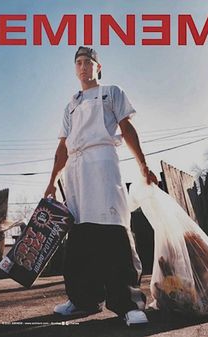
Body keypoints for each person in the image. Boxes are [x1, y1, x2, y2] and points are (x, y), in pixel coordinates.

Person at [44, 46, 158, 325]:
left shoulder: (112, 92)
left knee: (114, 231)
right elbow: (62, 147)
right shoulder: (70, 104)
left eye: (88, 62)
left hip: (103, 163)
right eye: (78, 63)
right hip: (75, 171)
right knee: (80, 235)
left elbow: (127, 128)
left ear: (98, 67)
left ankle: (128, 303)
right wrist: (51, 181)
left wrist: (143, 164)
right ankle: (83, 300)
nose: (83, 67)